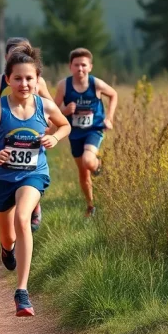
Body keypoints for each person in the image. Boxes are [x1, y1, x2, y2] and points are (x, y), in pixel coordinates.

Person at [0, 46, 70, 316]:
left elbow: (65, 125)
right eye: (18, 78)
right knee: (7, 234)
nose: (24, 84)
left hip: (33, 173)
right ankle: (7, 248)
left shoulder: (45, 106)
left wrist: (55, 137)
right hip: (2, 177)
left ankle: (22, 292)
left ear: (38, 80)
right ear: (7, 80)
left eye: (29, 78)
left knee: (22, 219)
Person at [0, 38, 54, 231]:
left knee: (32, 174)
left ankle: (34, 204)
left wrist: (48, 126)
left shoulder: (37, 81)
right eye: (13, 55)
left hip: (32, 134)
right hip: (6, 134)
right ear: (6, 59)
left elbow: (51, 106)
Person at [53, 48, 118, 217]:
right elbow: (53, 109)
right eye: (76, 65)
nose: (80, 69)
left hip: (94, 129)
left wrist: (109, 118)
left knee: (88, 161)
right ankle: (91, 206)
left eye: (83, 65)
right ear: (70, 67)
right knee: (83, 172)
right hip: (75, 133)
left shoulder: (95, 84)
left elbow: (113, 94)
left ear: (90, 67)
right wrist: (66, 110)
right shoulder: (63, 86)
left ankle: (99, 166)